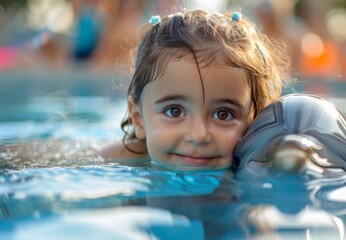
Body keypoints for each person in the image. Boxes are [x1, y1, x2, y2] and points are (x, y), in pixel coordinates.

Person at [99, 9, 291, 171]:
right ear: (138, 118)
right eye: (174, 111)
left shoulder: (265, 162)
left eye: (223, 114)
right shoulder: (114, 160)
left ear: (256, 119)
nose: (198, 136)